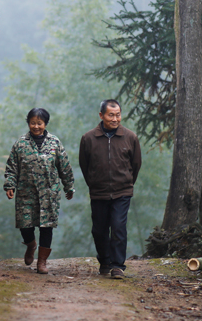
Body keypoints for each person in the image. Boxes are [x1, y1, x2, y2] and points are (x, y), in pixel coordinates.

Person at [3, 108, 74, 274]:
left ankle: (42, 262)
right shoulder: (20, 144)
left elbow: (64, 166)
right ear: (28, 123)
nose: (36, 126)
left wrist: (68, 186)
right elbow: (12, 167)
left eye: (39, 123)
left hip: (49, 194)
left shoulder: (55, 143)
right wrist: (10, 185)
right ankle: (30, 245)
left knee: (46, 227)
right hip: (26, 193)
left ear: (45, 124)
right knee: (25, 225)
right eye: (33, 123)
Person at [79, 99, 141, 279]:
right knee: (99, 230)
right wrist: (93, 183)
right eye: (111, 115)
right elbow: (85, 165)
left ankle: (117, 266)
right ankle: (105, 261)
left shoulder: (130, 137)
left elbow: (136, 164)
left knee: (118, 227)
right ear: (101, 116)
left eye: (118, 115)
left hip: (122, 192)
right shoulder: (88, 138)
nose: (115, 119)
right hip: (98, 192)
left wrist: (127, 183)